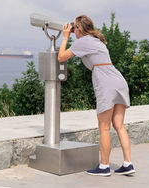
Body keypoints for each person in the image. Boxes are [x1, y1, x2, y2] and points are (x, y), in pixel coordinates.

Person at [58, 14, 135, 177]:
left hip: (105, 82)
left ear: (78, 29)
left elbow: (61, 57)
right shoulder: (96, 40)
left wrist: (65, 37)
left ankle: (104, 167)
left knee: (104, 127)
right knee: (119, 125)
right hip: (118, 79)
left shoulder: (83, 41)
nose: (72, 31)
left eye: (74, 28)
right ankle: (128, 163)